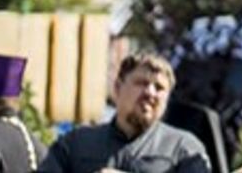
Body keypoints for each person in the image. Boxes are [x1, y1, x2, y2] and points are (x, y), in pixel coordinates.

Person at [37, 56, 207, 173]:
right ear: (117, 88)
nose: (150, 92)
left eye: (159, 88)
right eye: (141, 83)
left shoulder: (184, 150)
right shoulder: (76, 144)